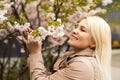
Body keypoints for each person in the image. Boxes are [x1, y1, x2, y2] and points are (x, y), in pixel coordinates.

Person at [22, 16, 112, 80]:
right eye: (76, 27)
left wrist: (35, 53)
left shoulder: (82, 65)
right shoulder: (74, 59)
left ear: (94, 43)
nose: (74, 31)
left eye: (83, 30)